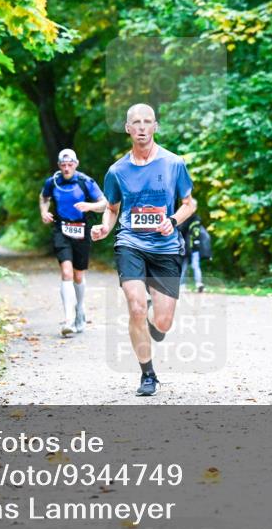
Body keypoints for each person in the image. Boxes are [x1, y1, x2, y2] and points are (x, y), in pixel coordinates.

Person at [91, 104, 196, 396]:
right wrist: (104, 228)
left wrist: (173, 221)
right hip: (131, 243)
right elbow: (111, 209)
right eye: (135, 122)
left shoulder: (174, 163)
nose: (141, 127)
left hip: (166, 246)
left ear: (155, 126)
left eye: (147, 122)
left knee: (162, 323)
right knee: (135, 306)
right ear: (127, 128)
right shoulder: (117, 171)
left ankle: (151, 319)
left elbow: (190, 204)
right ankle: (148, 375)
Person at [40, 148, 107, 336]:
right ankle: (68, 319)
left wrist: (89, 206)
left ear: (76, 164)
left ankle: (80, 311)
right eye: (63, 165)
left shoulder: (86, 182)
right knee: (66, 272)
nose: (66, 168)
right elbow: (44, 197)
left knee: (79, 276)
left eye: (70, 164)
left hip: (81, 230)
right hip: (61, 229)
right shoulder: (52, 182)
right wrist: (44, 212)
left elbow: (104, 204)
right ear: (59, 166)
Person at [178, 213, 207, 293]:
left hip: (186, 248)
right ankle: (198, 283)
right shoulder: (197, 220)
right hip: (195, 247)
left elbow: (180, 231)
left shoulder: (183, 219)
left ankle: (182, 285)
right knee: (196, 266)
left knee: (184, 267)